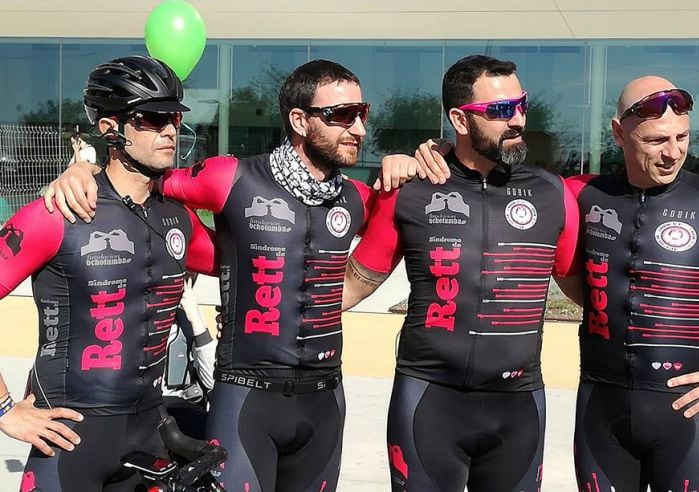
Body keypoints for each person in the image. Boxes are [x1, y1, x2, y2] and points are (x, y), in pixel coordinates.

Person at [42, 58, 419, 492]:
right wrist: (83, 169)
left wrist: (404, 170)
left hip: (325, 400)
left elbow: (351, 285)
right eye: (342, 115)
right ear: (299, 120)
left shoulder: (356, 197)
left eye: (362, 113)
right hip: (246, 398)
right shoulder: (230, 177)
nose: (358, 128)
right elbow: (138, 176)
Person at [414, 75, 699, 492]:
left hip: (686, 412)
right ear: (619, 133)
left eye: (682, 137)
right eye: (657, 140)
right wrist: (428, 152)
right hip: (600, 408)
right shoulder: (578, 194)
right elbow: (491, 177)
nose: (673, 153)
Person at [343, 54, 579, 492]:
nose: (518, 120)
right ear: (459, 119)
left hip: (518, 404)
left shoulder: (551, 193)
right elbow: (352, 286)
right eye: (502, 110)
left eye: (521, 104)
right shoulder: (411, 190)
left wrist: (685, 310)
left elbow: (587, 287)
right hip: (429, 401)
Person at [0, 55, 217, 491]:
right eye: (152, 118)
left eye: (174, 116)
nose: (170, 129)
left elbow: (255, 265)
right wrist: (5, 410)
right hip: (70, 439)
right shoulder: (59, 212)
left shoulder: (178, 218)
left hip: (150, 434)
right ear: (109, 129)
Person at [162, 272, 216, 440]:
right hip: (143, 404)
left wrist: (196, 319)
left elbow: (211, 381)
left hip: (180, 404)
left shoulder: (187, 319)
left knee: (216, 431)